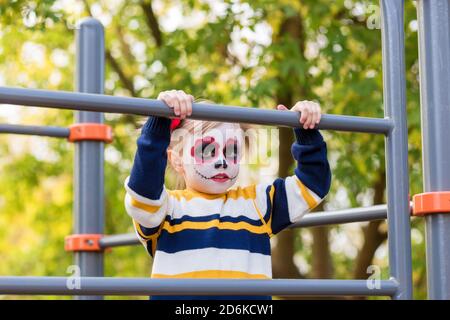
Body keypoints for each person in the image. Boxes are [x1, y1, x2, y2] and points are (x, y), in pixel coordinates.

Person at [124, 89, 331, 300]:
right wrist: (159, 122)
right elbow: (143, 193)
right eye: (207, 151)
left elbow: (312, 184)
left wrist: (306, 130)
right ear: (176, 159)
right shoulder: (167, 208)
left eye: (232, 152)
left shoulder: (256, 204)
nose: (222, 161)